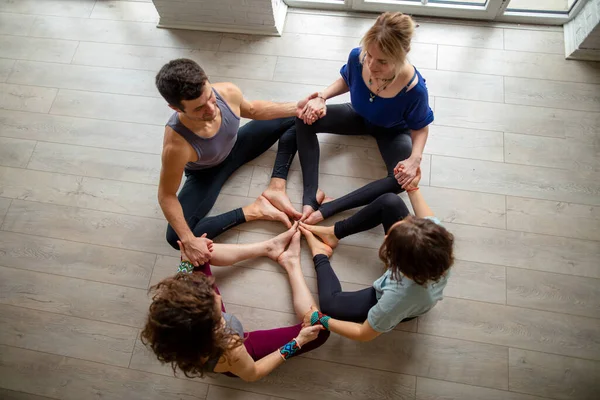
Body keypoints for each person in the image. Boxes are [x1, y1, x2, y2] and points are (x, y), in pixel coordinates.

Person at [156, 58, 317, 266]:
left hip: (237, 146)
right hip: (206, 173)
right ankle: (254, 210)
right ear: (176, 108)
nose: (211, 109)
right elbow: (166, 195)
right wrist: (188, 240)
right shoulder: (176, 144)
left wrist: (298, 106)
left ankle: (276, 186)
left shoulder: (227, 91)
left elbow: (253, 110)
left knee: (298, 116)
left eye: (210, 98)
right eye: (199, 109)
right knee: (176, 238)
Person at [142, 222, 330, 381]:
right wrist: (298, 342)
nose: (218, 295)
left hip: (202, 329)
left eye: (209, 293)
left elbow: (185, 274)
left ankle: (269, 247)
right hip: (233, 350)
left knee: (196, 252)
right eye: (215, 306)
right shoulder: (230, 351)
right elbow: (253, 373)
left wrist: (187, 259)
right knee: (319, 329)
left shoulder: (179, 306)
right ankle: (291, 263)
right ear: (213, 326)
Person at [296, 12, 433, 224]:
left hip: (393, 130)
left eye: (382, 61)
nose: (371, 65)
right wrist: (321, 96)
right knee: (305, 117)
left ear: (403, 54)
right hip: (358, 115)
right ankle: (310, 197)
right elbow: (346, 79)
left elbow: (421, 127)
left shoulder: (415, 90)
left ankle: (329, 209)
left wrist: (415, 158)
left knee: (400, 181)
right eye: (369, 55)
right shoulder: (357, 57)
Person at [296, 168, 454, 342]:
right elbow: (428, 218)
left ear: (398, 265)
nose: (385, 237)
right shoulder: (436, 238)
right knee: (390, 202)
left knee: (330, 305)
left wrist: (320, 319)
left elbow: (363, 333)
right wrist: (412, 188)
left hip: (402, 300)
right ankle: (334, 233)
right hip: (416, 276)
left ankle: (320, 254)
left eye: (389, 242)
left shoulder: (398, 297)